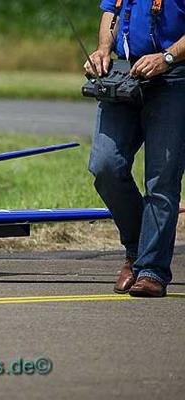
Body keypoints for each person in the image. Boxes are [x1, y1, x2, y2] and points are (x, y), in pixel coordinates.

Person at [85, 0, 185, 297]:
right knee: (105, 165)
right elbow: (111, 11)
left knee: (161, 180)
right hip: (125, 73)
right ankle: (137, 247)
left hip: (174, 77)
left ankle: (151, 269)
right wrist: (103, 50)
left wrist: (167, 57)